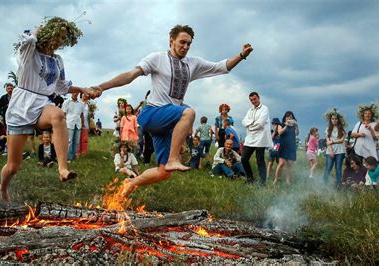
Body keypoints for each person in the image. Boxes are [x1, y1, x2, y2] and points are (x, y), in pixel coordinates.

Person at [92, 24, 253, 198]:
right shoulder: (157, 58)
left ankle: (131, 183)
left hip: (167, 124)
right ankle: (173, 159)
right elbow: (130, 76)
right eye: (182, 42)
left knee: (163, 173)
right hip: (152, 114)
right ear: (171, 41)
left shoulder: (193, 64)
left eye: (189, 44)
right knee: (188, 112)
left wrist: (242, 55)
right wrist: (101, 87)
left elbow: (222, 67)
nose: (185, 47)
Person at [0, 17, 95, 202]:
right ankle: (3, 187)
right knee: (13, 166)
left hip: (42, 103)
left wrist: (82, 89)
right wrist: (37, 31)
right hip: (21, 106)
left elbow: (61, 87)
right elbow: (27, 39)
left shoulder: (58, 60)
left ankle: (62, 169)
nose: (59, 41)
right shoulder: (30, 51)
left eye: (63, 38)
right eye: (57, 35)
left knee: (58, 115)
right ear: (47, 32)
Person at [241, 92, 272, 185]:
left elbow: (260, 123)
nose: (253, 101)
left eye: (254, 99)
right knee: (244, 158)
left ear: (259, 98)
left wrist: (249, 125)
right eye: (251, 100)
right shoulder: (250, 110)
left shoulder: (265, 109)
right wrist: (252, 122)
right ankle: (250, 179)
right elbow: (243, 121)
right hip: (250, 138)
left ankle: (262, 182)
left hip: (261, 139)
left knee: (260, 161)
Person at [323, 109, 347, 186]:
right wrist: (330, 150)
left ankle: (339, 185)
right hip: (330, 151)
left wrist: (333, 142)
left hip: (340, 151)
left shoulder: (342, 129)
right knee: (328, 168)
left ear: (338, 120)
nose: (334, 120)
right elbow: (327, 141)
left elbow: (342, 140)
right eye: (332, 119)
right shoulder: (328, 129)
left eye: (336, 119)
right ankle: (324, 184)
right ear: (330, 120)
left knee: (338, 169)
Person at [274, 111, 299, 185]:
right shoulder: (280, 125)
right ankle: (276, 179)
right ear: (285, 117)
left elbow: (297, 133)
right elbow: (280, 133)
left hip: (291, 147)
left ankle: (287, 180)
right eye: (287, 117)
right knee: (281, 164)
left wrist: (297, 126)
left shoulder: (294, 126)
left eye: (291, 117)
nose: (289, 118)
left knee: (289, 165)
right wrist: (286, 126)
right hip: (283, 146)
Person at [62, 92, 85, 161]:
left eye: (76, 92)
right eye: (74, 92)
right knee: (69, 141)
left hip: (78, 124)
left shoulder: (81, 104)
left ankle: (74, 155)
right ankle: (69, 157)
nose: (75, 94)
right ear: (72, 93)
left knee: (76, 141)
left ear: (78, 93)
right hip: (69, 123)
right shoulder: (66, 102)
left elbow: (81, 115)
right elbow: (63, 114)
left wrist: (82, 124)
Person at [77, 92, 90, 157]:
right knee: (78, 139)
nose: (85, 96)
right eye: (83, 94)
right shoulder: (78, 103)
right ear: (81, 95)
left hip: (86, 124)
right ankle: (78, 152)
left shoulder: (87, 104)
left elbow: (88, 115)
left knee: (85, 139)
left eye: (86, 95)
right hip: (79, 123)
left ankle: (84, 152)